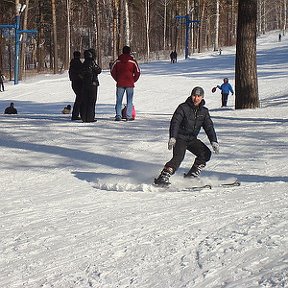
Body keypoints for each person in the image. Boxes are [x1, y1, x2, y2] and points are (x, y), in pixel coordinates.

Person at [154, 86, 219, 186]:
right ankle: (163, 177)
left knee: (205, 153)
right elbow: (175, 123)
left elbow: (209, 127)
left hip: (192, 139)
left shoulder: (204, 112)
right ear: (191, 95)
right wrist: (173, 137)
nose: (196, 98)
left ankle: (191, 176)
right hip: (180, 138)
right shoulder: (183, 108)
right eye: (194, 95)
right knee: (178, 157)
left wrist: (213, 141)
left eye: (198, 96)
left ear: (202, 97)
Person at [110, 45, 141, 121]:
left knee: (119, 100)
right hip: (130, 83)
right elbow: (138, 71)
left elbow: (112, 71)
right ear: (129, 52)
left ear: (122, 51)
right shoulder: (132, 61)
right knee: (129, 100)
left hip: (120, 83)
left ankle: (118, 115)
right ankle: (129, 116)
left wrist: (117, 79)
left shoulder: (118, 61)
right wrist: (133, 80)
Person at [80, 49, 102, 122]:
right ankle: (90, 117)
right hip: (92, 84)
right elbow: (99, 70)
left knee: (85, 100)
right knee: (91, 101)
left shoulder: (83, 63)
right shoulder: (92, 62)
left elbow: (81, 74)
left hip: (84, 84)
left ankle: (84, 117)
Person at [69, 51, 83, 120]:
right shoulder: (77, 63)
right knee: (79, 98)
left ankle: (78, 113)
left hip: (74, 82)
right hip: (78, 83)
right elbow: (80, 72)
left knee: (79, 98)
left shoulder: (72, 63)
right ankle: (75, 114)